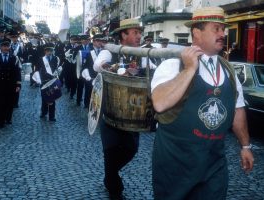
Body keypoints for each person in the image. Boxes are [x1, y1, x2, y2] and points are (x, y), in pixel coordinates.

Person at [151, 7, 254, 200]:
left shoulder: (229, 71)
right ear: (196, 32)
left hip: (213, 167)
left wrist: (245, 146)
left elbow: (238, 110)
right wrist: (190, 69)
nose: (223, 34)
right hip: (175, 166)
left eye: (223, 29)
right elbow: (159, 103)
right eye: (216, 29)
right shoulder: (172, 65)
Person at [93, 18, 144, 200]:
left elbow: (154, 70)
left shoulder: (142, 53)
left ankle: (110, 176)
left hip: (132, 113)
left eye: (140, 33)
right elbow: (97, 65)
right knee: (111, 150)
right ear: (124, 35)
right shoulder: (109, 51)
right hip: (111, 111)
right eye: (135, 32)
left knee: (132, 148)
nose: (139, 36)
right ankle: (114, 187)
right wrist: (115, 68)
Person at [0, 38, 21, 129]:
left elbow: (17, 72)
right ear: (1, 47)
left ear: (10, 47)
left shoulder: (14, 58)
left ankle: (8, 118)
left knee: (9, 103)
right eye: (4, 46)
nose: (6, 48)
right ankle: (0, 122)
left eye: (7, 46)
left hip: (11, 85)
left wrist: (18, 85)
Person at [38, 43, 60, 122]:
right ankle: (43, 112)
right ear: (45, 51)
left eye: (51, 50)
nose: (49, 52)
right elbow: (38, 69)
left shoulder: (56, 58)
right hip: (44, 81)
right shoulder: (41, 59)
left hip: (52, 81)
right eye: (48, 51)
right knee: (44, 98)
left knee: (52, 97)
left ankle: (52, 116)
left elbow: (57, 68)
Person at [81, 33, 103, 109]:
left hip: (101, 76)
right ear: (93, 42)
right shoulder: (88, 52)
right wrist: (87, 76)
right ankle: (87, 105)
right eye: (98, 40)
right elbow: (84, 66)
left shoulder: (103, 52)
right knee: (89, 92)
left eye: (101, 40)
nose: (100, 42)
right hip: (91, 77)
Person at [8, 29, 25, 108]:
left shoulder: (20, 45)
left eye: (16, 37)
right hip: (9, 67)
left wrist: (21, 59)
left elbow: (23, 55)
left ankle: (16, 102)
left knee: (17, 84)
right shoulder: (8, 45)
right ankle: (10, 100)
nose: (14, 38)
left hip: (17, 67)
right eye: (13, 37)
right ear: (11, 38)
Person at [76, 34, 91, 106]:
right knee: (80, 86)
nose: (85, 41)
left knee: (88, 86)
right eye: (83, 40)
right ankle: (78, 100)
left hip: (88, 70)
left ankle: (86, 103)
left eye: (87, 40)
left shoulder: (91, 47)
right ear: (81, 41)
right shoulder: (78, 47)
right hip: (80, 69)